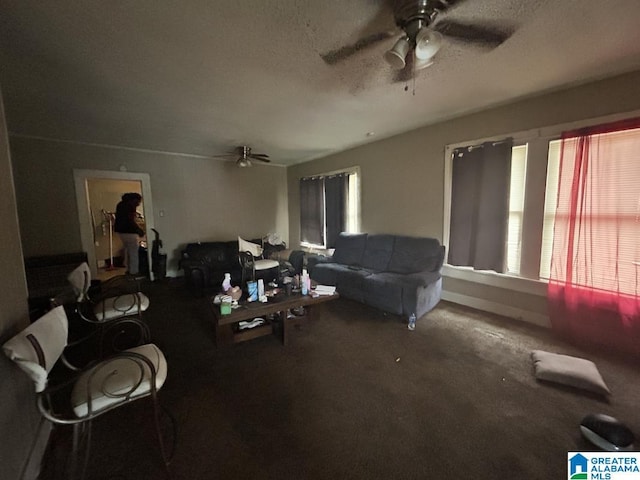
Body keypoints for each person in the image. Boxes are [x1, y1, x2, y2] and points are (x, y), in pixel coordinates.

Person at [114, 192, 145, 275]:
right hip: (130, 232)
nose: (138, 203)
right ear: (133, 200)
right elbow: (130, 220)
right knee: (134, 253)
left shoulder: (120, 204)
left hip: (121, 232)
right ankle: (134, 272)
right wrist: (139, 230)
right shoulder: (130, 206)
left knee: (127, 251)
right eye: (138, 201)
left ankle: (128, 269)